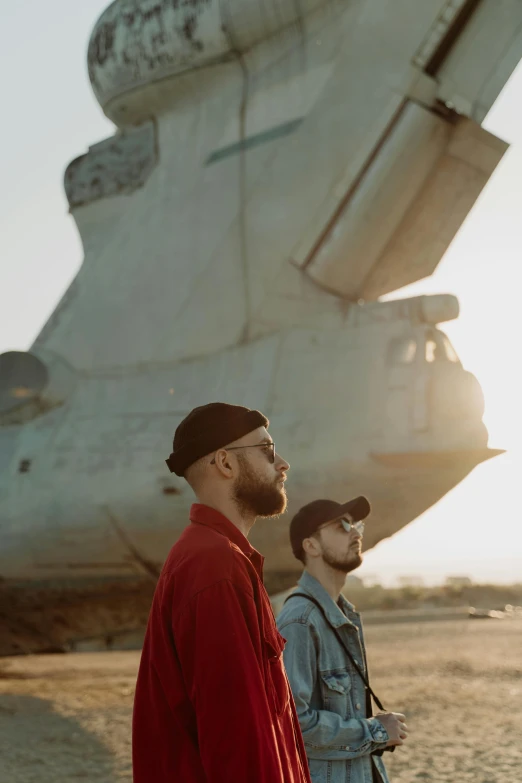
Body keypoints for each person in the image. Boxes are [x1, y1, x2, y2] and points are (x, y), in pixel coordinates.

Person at [132, 402, 311, 783]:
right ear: (226, 464)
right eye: (267, 450)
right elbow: (235, 738)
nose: (283, 464)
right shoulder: (214, 565)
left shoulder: (219, 556)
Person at [277, 497, 408, 783]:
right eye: (342, 526)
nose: (357, 533)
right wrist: (375, 731)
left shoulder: (342, 613)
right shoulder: (300, 621)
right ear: (310, 546)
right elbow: (291, 725)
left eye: (356, 524)